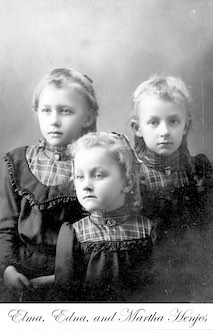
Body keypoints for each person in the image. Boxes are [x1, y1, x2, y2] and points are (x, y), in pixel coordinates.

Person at [0, 67, 99, 302]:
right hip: (19, 272)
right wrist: (8, 271)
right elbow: (5, 228)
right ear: (37, 112)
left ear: (87, 116)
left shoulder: (95, 163)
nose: (54, 120)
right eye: (46, 111)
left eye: (65, 111)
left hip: (74, 274)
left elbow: (101, 232)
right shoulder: (18, 161)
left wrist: (62, 277)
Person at [55, 132, 153, 301]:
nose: (86, 185)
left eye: (98, 175)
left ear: (127, 181)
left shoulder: (148, 230)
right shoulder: (75, 234)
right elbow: (65, 294)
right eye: (79, 176)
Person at [130, 75, 213, 231]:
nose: (165, 132)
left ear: (186, 126)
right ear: (138, 128)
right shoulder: (131, 175)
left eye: (173, 121)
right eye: (154, 122)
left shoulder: (197, 172)